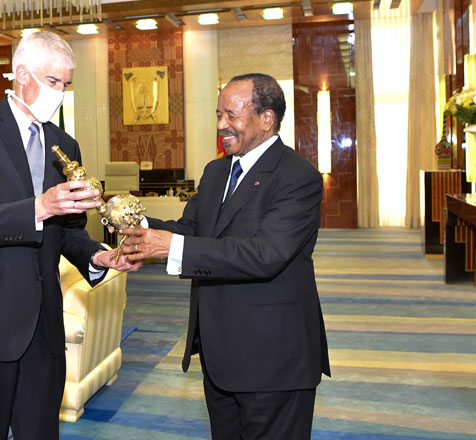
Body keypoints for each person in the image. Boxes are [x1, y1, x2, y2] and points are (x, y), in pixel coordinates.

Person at [0, 31, 139, 440]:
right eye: (53, 82)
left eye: (66, 85)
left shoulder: (66, 144)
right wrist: (41, 206)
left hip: (43, 327)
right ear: (21, 74)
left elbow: (68, 232)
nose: (60, 93)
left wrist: (96, 257)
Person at [120, 73, 331, 439]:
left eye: (231, 115)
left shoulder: (298, 176)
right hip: (219, 354)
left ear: (267, 118)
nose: (221, 125)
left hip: (274, 358)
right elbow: (191, 229)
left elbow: (266, 254)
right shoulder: (217, 171)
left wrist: (171, 247)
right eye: (219, 114)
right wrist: (132, 222)